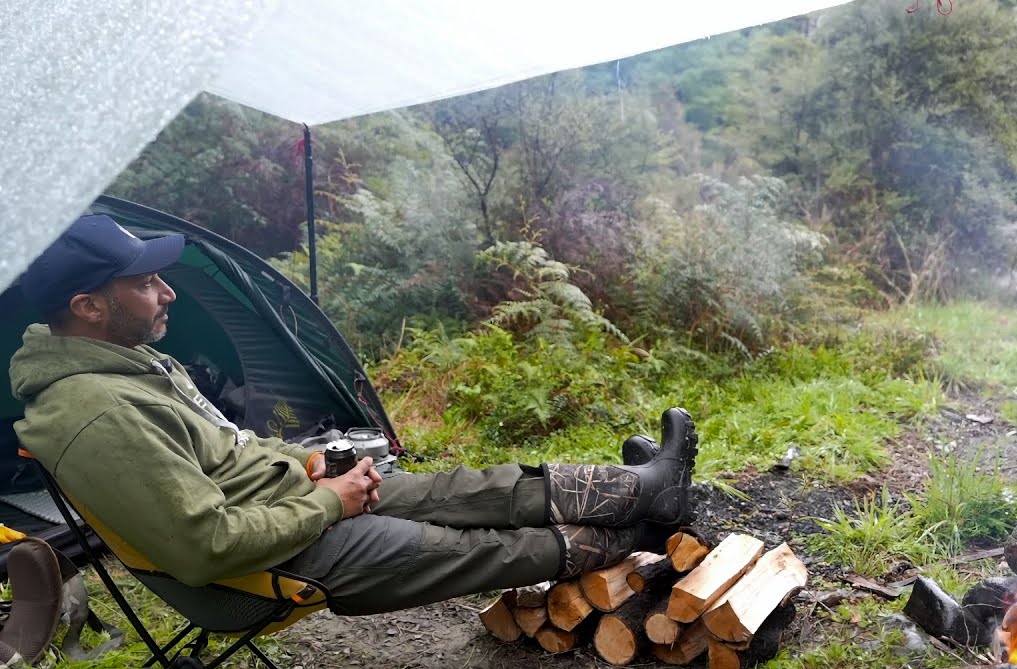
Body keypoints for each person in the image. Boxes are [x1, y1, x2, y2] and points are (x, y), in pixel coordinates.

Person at [9, 215, 698, 616]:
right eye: (144, 283)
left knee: (451, 489)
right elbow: (202, 550)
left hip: (288, 503)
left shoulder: (127, 362)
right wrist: (329, 505)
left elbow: (228, 451)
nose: (167, 295)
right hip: (260, 564)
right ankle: (637, 530)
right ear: (87, 308)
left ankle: (642, 490)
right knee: (466, 547)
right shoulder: (94, 414)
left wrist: (304, 467)